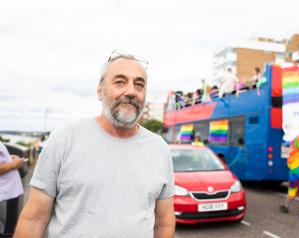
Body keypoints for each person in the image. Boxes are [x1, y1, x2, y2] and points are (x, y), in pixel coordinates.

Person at [14, 51, 176, 238]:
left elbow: (164, 222)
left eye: (139, 85)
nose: (131, 91)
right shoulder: (65, 139)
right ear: (100, 90)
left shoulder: (159, 149)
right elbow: (34, 219)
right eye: (120, 82)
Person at [0, 141, 24, 236]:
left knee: (9, 229)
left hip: (9, 193)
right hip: (4, 194)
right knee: (5, 231)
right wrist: (14, 164)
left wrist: (9, 158)